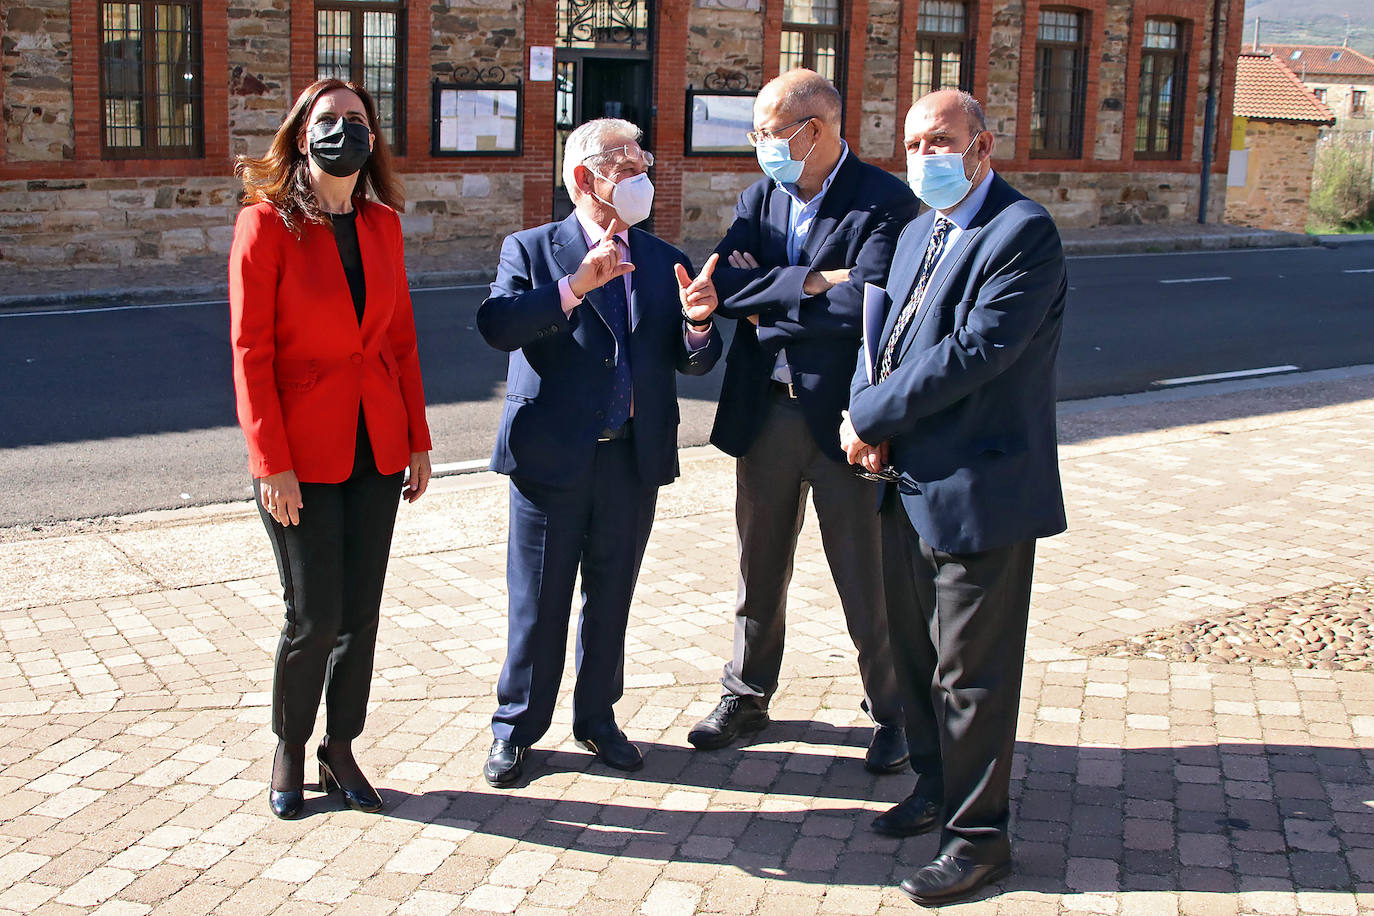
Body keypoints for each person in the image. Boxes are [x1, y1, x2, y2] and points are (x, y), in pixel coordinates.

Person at [840, 89, 1068, 905]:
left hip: (983, 490)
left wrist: (869, 412)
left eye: (941, 139)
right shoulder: (912, 232)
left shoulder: (1022, 233)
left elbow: (977, 352)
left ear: (983, 145)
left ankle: (979, 844)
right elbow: (888, 341)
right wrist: (864, 416)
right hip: (904, 483)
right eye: (912, 143)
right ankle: (934, 787)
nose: (925, 154)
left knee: (972, 676)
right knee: (915, 660)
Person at [477, 118, 723, 788]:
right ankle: (517, 728)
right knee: (538, 602)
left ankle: (598, 719)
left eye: (645, 161)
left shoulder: (659, 255)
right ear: (586, 177)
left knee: (610, 599)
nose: (644, 175)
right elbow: (498, 325)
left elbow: (689, 360)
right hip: (550, 460)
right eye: (628, 164)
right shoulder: (531, 248)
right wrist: (572, 288)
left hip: (628, 461)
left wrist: (699, 323)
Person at [687, 69, 916, 774]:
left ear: (812, 130)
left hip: (848, 421)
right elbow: (724, 286)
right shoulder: (762, 197)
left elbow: (871, 305)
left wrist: (773, 298)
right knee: (758, 572)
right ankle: (747, 694)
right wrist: (815, 281)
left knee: (866, 579)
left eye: (767, 131)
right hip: (767, 416)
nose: (758, 145)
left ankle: (894, 712)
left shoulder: (883, 202)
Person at [229, 78, 433, 820]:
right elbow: (250, 354)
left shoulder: (382, 225)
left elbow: (401, 341)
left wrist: (416, 437)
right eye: (328, 119)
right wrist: (269, 463)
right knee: (312, 617)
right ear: (301, 134)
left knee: (361, 614)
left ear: (371, 139)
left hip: (375, 447)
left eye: (355, 120)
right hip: (299, 457)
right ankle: (290, 743)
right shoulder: (267, 225)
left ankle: (339, 746)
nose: (342, 129)